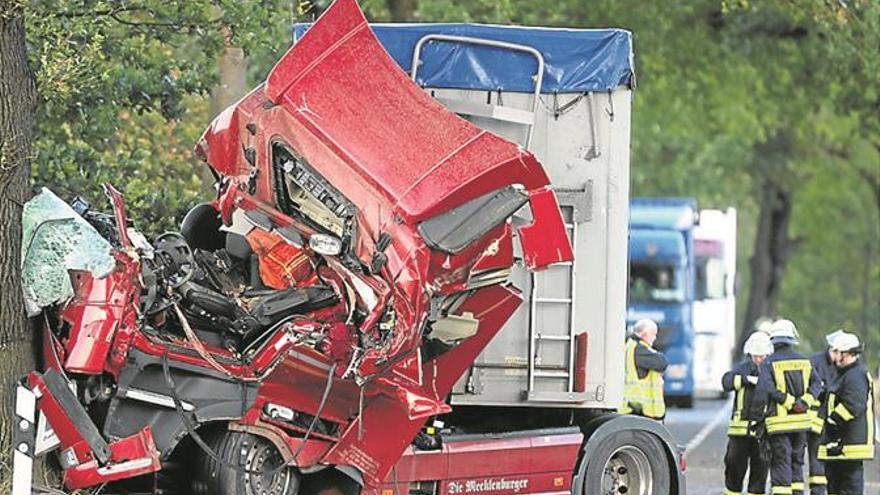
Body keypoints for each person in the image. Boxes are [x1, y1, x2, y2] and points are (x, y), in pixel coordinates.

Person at [757, 319, 821, 495]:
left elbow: (767, 390)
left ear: (774, 340)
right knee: (797, 461)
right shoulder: (805, 361)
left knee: (780, 462)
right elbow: (817, 385)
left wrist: (789, 402)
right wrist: (804, 403)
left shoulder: (768, 363)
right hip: (801, 422)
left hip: (778, 424)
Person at [819, 333, 875, 495]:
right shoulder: (844, 373)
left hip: (850, 444)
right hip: (840, 445)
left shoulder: (856, 375)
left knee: (849, 487)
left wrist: (832, 421)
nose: (834, 356)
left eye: (837, 352)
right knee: (835, 487)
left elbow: (853, 405)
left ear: (846, 354)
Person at [723, 331, 773, 495]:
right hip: (739, 431)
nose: (758, 359)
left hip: (762, 431)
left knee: (760, 472)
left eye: (762, 356)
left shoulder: (772, 370)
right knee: (733, 468)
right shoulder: (742, 368)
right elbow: (726, 382)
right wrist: (746, 379)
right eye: (755, 356)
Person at [805, 330, 845, 495]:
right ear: (829, 349)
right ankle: (818, 490)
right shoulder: (815, 362)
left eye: (840, 353)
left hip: (835, 421)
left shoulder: (844, 366)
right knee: (816, 458)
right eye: (835, 352)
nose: (837, 356)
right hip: (816, 421)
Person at [619, 318, 668, 420]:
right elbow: (662, 362)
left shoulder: (629, 346)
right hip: (637, 408)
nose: (654, 338)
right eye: (653, 334)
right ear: (644, 334)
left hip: (630, 407)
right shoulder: (638, 349)